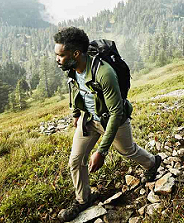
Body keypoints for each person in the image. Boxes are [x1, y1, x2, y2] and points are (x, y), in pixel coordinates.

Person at [53, 27, 161, 222]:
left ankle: (153, 163)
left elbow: (116, 112)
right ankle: (83, 199)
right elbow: (76, 88)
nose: (57, 59)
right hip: (88, 120)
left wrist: (101, 152)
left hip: (112, 120)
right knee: (76, 161)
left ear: (76, 54)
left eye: (61, 55)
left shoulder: (104, 73)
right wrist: (77, 113)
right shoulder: (71, 67)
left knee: (127, 151)